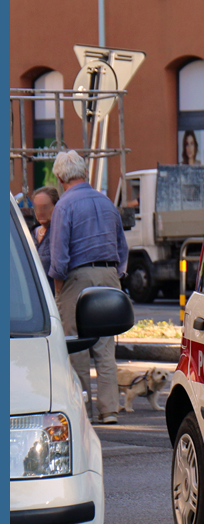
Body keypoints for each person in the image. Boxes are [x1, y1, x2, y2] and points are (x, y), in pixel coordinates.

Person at [48, 150, 129, 425]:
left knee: (76, 346)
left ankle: (82, 409)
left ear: (59, 177)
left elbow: (59, 257)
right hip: (109, 276)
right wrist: (116, 274)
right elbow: (122, 246)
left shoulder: (64, 206)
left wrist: (59, 291)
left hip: (77, 278)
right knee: (105, 347)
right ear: (84, 172)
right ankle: (109, 409)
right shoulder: (107, 203)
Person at [31, 185, 60, 292]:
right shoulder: (30, 234)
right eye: (37, 208)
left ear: (56, 206)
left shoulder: (60, 233)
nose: (40, 212)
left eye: (45, 207)